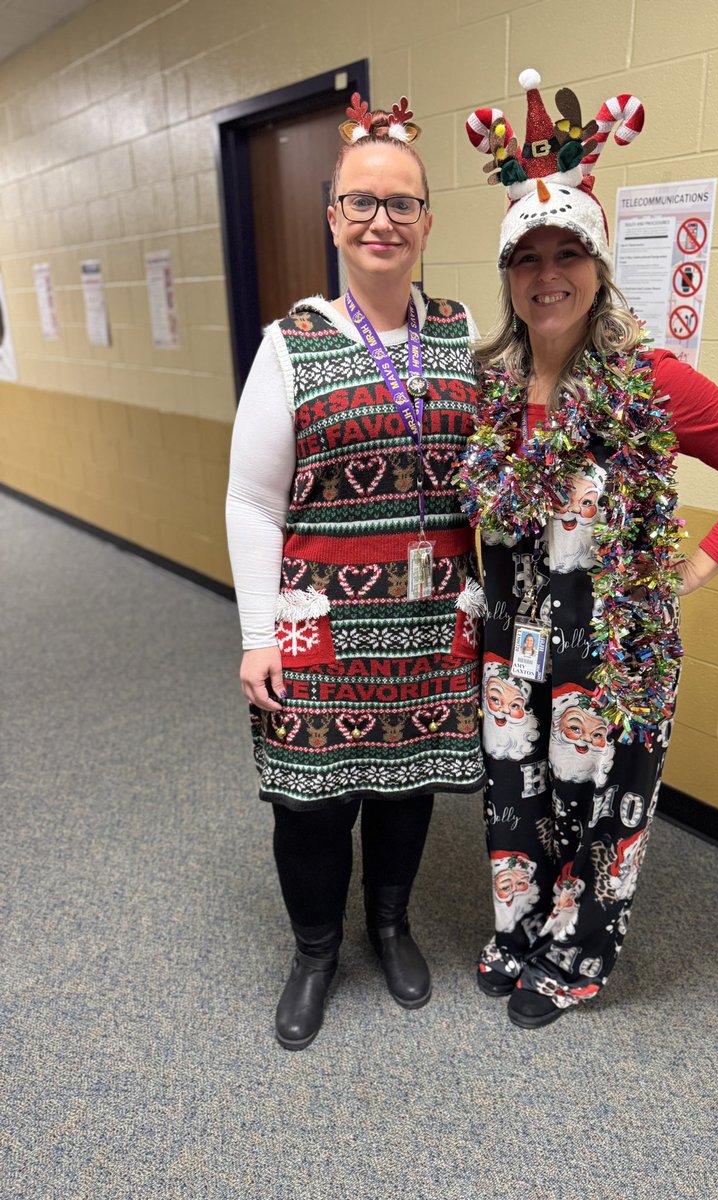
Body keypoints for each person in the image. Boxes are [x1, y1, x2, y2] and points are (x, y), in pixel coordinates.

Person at [458, 71, 718, 1027]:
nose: (547, 274)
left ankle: (575, 955)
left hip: (616, 647)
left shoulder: (650, 383)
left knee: (600, 806)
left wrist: (692, 569)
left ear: (600, 266)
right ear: (507, 277)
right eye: (526, 257)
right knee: (516, 798)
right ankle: (519, 929)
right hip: (513, 642)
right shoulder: (491, 386)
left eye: (567, 251)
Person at [226, 94, 485, 1050]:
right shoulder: (290, 345)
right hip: (315, 619)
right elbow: (252, 503)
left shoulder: (460, 337)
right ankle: (316, 951)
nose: (383, 220)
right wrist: (258, 633)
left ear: (426, 220)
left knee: (406, 785)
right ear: (333, 215)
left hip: (427, 618)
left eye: (403, 203)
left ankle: (390, 926)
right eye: (362, 202)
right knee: (314, 795)